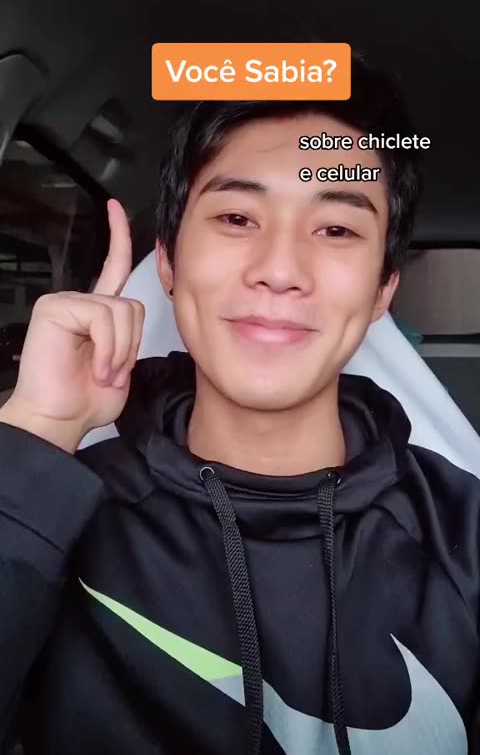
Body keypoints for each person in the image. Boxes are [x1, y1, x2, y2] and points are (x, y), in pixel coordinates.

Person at [0, 55, 478, 755]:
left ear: (382, 290)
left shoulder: (464, 532)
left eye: (336, 229)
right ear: (168, 262)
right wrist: (36, 432)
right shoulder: (48, 513)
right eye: (235, 216)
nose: (280, 270)